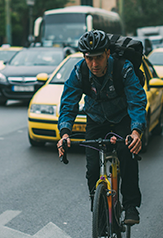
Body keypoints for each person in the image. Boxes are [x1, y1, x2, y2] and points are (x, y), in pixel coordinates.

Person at [56, 30, 147, 225]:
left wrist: (136, 131)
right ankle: (98, 209)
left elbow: (137, 101)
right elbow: (68, 103)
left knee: (127, 151)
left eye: (98, 58)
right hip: (96, 120)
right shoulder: (80, 71)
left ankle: (130, 205)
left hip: (123, 118)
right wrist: (64, 133)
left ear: (107, 53)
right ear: (84, 57)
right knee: (92, 169)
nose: (94, 64)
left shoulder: (123, 68)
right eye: (89, 59)